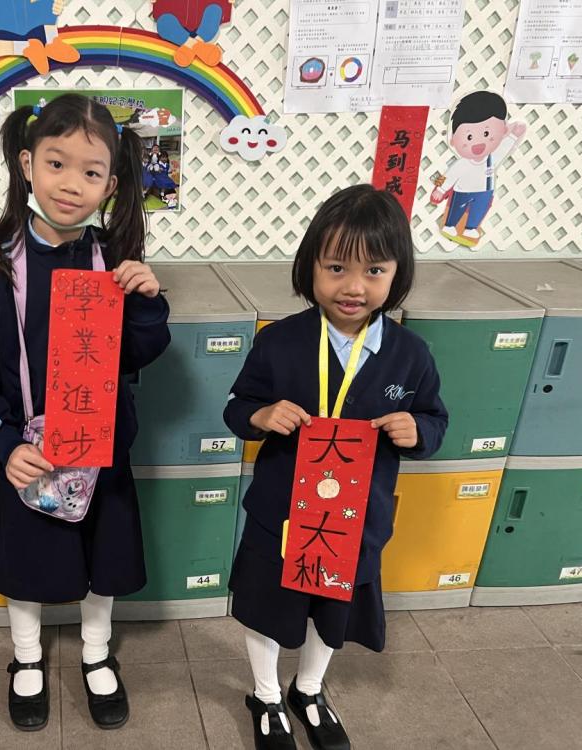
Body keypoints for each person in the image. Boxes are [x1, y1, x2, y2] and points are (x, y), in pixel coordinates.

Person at [0, 93, 170, 732]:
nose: (72, 184)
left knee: (102, 560)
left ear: (111, 185)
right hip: (30, 452)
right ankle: (26, 657)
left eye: (91, 171)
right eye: (56, 163)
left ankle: (97, 654)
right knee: (27, 564)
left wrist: (147, 301)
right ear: (27, 165)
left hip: (101, 450)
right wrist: (4, 443)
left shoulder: (114, 262)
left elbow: (140, 353)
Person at [224, 185, 448, 750]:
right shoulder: (279, 343)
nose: (354, 286)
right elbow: (237, 407)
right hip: (280, 515)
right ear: (311, 268)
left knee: (332, 609)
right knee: (268, 606)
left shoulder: (411, 355)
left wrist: (419, 431)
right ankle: (266, 696)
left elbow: (435, 419)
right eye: (336, 267)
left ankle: (308, 690)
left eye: (374, 270)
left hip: (354, 518)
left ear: (397, 273)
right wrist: (261, 416)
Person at [430, 91, 527, 245]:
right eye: (469, 137)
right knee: (457, 209)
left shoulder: (492, 159)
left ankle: (471, 228)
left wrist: (514, 135)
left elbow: (504, 148)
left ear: (503, 130)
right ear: (453, 140)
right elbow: (449, 175)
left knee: (479, 210)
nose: (478, 143)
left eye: (487, 133)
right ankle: (449, 225)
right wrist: (440, 190)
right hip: (462, 190)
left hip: (484, 192)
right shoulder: (463, 163)